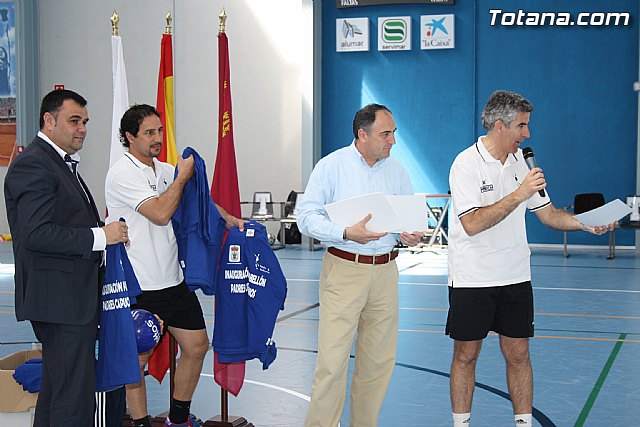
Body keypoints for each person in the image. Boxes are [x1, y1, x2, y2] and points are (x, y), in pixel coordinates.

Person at [446, 90, 615, 427]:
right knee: (466, 356)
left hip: (515, 276)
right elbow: (473, 224)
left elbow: (548, 213)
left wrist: (585, 223)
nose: (527, 134)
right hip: (472, 277)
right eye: (521, 126)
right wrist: (519, 192)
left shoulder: (521, 163)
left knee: (519, 354)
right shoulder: (465, 164)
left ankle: (523, 423)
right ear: (499, 126)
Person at [105, 104, 242, 427]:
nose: (157, 138)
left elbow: (200, 203)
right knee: (137, 358)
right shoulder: (122, 173)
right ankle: (140, 422)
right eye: (149, 133)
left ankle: (178, 419)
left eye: (159, 131)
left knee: (197, 346)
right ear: (130, 137)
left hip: (173, 280)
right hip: (139, 284)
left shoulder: (164, 170)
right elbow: (160, 213)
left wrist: (231, 220)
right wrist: (181, 177)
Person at [3, 89, 129, 426]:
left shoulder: (57, 163)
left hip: (68, 299)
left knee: (60, 392)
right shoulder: (34, 164)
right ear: (49, 120)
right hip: (59, 300)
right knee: (73, 397)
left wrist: (101, 232)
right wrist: (101, 237)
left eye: (85, 122)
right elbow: (36, 233)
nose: (82, 129)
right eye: (74, 121)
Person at [296, 103, 422, 426]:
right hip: (344, 270)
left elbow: (406, 220)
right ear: (362, 135)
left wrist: (409, 234)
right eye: (385, 134)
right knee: (332, 364)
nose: (393, 141)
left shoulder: (398, 171)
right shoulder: (331, 166)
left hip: (386, 272)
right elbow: (305, 217)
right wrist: (345, 232)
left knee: (378, 364)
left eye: (394, 133)